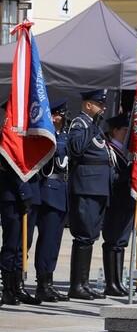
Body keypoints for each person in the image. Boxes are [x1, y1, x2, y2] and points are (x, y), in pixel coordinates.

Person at [66, 89, 112, 300]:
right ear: (87, 105)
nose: (102, 107)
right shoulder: (80, 124)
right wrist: (92, 128)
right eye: (98, 104)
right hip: (86, 186)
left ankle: (83, 283)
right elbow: (75, 148)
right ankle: (76, 285)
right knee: (83, 234)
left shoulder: (94, 126)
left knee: (91, 235)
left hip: (98, 187)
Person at [0, 102, 42, 306]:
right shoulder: (6, 134)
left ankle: (18, 286)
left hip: (30, 193)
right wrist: (24, 191)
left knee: (23, 245)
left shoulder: (29, 134)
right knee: (12, 243)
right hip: (13, 194)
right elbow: (10, 164)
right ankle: (7, 288)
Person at [32, 98, 70, 302]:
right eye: (56, 116)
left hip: (62, 191)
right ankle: (42, 284)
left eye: (61, 117)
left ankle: (50, 282)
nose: (60, 119)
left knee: (55, 241)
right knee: (46, 240)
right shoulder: (46, 137)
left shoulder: (63, 136)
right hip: (49, 191)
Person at [100, 113, 134, 297]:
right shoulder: (109, 149)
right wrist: (130, 172)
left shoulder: (126, 151)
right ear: (115, 131)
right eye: (126, 130)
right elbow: (111, 176)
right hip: (115, 200)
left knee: (121, 242)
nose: (128, 134)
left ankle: (118, 281)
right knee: (112, 240)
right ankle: (110, 283)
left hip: (127, 200)